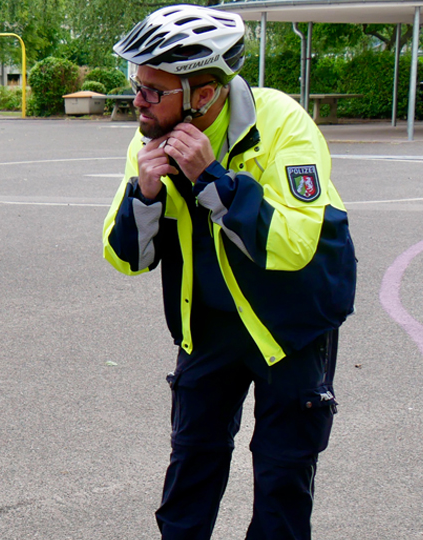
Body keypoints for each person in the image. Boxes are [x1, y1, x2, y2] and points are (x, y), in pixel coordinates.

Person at [102, 5, 356, 540]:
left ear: (205, 93)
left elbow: (293, 245)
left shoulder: (282, 122)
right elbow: (127, 258)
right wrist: (144, 194)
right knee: (192, 462)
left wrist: (213, 179)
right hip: (211, 326)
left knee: (283, 474)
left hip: (292, 323)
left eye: (153, 89)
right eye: (136, 83)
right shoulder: (149, 141)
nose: (138, 100)